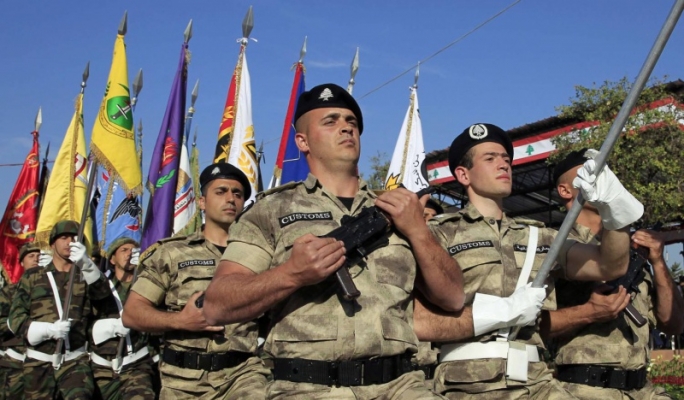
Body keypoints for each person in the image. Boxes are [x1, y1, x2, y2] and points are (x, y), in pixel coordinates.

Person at [203, 83, 465, 399]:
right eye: (330, 121)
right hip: (306, 387)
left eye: (351, 121)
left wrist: (419, 232)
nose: (345, 127)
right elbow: (216, 305)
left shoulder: (397, 211)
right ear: (302, 141)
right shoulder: (271, 210)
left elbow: (453, 298)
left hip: (400, 386)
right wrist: (290, 275)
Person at [413, 123, 643, 399]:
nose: (503, 165)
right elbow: (420, 323)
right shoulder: (437, 234)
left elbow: (610, 265)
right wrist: (501, 313)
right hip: (466, 382)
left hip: (535, 381)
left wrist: (615, 212)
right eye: (490, 158)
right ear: (463, 174)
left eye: (506, 159)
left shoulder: (539, 236)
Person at [542, 148, 684, 399]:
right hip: (585, 389)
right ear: (565, 190)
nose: (599, 177)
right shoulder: (552, 246)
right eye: (588, 173)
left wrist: (658, 262)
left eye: (602, 172)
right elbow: (532, 327)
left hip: (641, 388)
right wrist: (588, 312)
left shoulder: (633, 251)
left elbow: (673, 324)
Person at [122, 163, 270, 400]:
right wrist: (180, 320)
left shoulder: (260, 257)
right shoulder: (171, 253)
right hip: (184, 383)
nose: (230, 199)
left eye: (237, 194)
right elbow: (132, 314)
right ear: (202, 202)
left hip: (242, 376)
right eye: (221, 192)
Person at [8, 220, 110, 399]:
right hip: (39, 363)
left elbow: (103, 297)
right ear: (52, 244)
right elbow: (15, 318)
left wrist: (87, 264)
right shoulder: (34, 276)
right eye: (64, 237)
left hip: (75, 361)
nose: (70, 242)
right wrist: (47, 330)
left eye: (74, 238)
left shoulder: (84, 275)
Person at [90, 237, 155, 400]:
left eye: (133, 250)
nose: (129, 253)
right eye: (124, 250)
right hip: (103, 365)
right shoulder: (101, 286)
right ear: (112, 259)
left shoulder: (146, 285)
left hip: (137, 364)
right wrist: (109, 327)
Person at [0, 242, 40, 399]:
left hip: (43, 363)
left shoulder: (52, 290)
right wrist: (22, 325)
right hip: (15, 363)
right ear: (22, 262)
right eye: (31, 256)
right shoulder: (9, 292)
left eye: (39, 256)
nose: (36, 259)